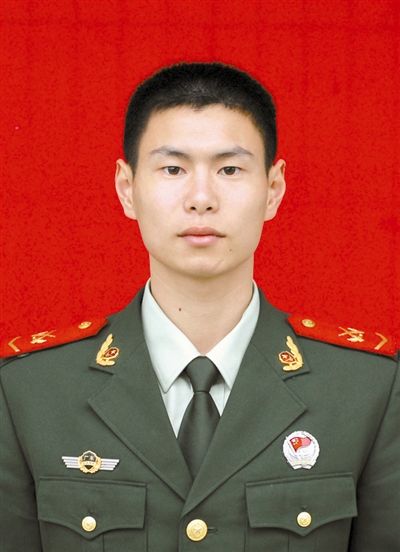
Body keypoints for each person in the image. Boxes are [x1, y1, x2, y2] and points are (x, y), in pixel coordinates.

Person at [0, 62, 399, 552]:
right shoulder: (29, 390)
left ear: (273, 189)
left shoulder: (367, 390)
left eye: (230, 169)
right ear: (127, 188)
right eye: (173, 169)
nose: (202, 198)